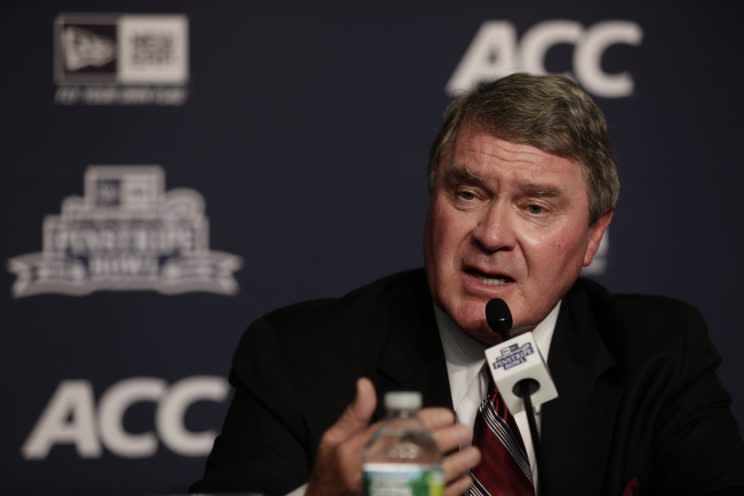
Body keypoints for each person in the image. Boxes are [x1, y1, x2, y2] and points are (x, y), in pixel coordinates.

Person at [191, 73, 744, 495]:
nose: (492, 235)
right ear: (432, 201)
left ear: (594, 235)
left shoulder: (658, 352)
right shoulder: (298, 357)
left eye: (534, 206)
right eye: (469, 194)